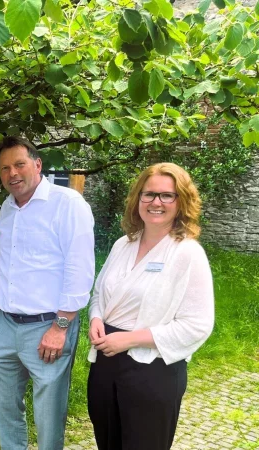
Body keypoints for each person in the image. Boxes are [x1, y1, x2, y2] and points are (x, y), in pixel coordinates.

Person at [86, 163, 214, 450]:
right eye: (149, 194)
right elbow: (99, 293)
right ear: (138, 198)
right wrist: (95, 318)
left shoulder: (187, 253)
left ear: (181, 202)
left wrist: (130, 339)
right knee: (107, 442)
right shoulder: (122, 245)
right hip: (106, 362)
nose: (156, 202)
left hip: (152, 369)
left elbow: (197, 325)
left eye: (167, 195)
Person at [0, 136, 95, 450]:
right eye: (4, 168)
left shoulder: (68, 203)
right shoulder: (7, 208)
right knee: (5, 409)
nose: (12, 173)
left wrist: (60, 327)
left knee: (49, 416)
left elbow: (80, 267)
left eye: (19, 164)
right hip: (5, 325)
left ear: (37, 165)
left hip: (48, 326)